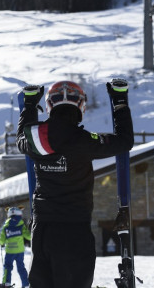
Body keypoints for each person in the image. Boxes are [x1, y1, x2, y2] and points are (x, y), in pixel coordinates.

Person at [16, 79, 134, 288]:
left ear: (50, 106)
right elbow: (124, 141)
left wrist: (29, 106)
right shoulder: (85, 141)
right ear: (80, 106)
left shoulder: (35, 139)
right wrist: (120, 102)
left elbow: (21, 137)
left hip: (42, 231)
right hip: (75, 230)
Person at [0, 207, 31, 288]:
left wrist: (0, 242)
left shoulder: (6, 225)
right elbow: (28, 236)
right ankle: (26, 284)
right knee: (21, 267)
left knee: (7, 267)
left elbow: (2, 239)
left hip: (9, 251)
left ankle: (6, 283)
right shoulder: (21, 224)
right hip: (19, 251)